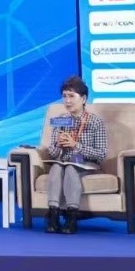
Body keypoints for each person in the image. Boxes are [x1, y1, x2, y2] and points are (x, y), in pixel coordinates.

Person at [44, 75, 107, 234]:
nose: (67, 101)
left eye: (71, 96)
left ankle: (72, 217)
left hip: (86, 164)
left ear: (83, 99)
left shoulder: (95, 122)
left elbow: (101, 154)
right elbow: (53, 153)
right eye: (64, 96)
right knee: (56, 167)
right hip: (64, 161)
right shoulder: (60, 120)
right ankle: (53, 215)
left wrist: (75, 145)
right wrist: (57, 145)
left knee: (71, 169)